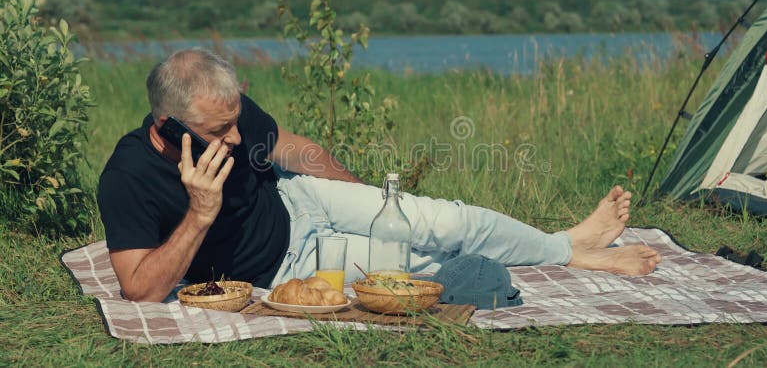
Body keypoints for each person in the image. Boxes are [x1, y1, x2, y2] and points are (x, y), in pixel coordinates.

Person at [97, 48, 662, 303]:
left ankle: (568, 245)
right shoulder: (129, 176)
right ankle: (570, 253)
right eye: (220, 133)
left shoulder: (233, 118)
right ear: (169, 129)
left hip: (302, 201)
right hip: (291, 264)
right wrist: (199, 214)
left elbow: (291, 148)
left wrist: (363, 197)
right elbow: (139, 288)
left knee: (443, 218)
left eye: (235, 122)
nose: (237, 141)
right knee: (425, 271)